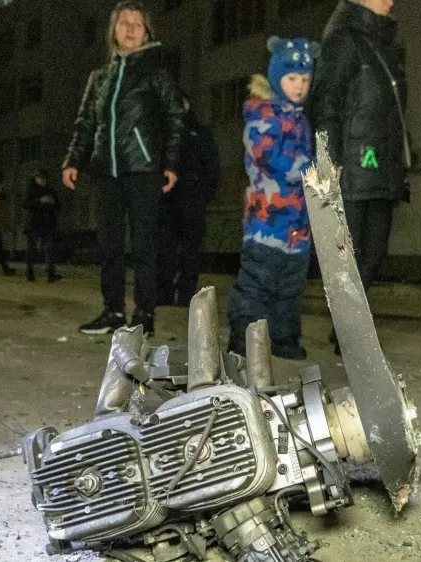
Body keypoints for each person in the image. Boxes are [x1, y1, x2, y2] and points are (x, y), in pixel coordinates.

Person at [62, 0, 185, 336]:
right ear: (113, 30)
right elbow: (86, 122)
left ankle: (144, 315)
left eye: (137, 24)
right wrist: (74, 160)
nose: (130, 29)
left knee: (144, 247)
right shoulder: (99, 77)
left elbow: (176, 119)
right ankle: (113, 312)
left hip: (143, 170)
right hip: (105, 172)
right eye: (123, 23)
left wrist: (171, 164)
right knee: (109, 249)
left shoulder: (157, 73)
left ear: (146, 32)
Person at [308, 0, 409, 355]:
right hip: (350, 161)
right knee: (348, 253)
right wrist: (330, 157)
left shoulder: (387, 46)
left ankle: (348, 327)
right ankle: (350, 332)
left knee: (375, 252)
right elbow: (326, 101)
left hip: (382, 162)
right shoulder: (343, 38)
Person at [227, 37, 315, 361]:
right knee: (257, 284)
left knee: (290, 286)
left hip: (297, 226)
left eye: (305, 80)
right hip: (266, 221)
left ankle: (283, 337)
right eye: (292, 79)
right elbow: (267, 156)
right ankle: (242, 337)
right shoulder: (264, 115)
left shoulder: (301, 120)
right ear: (278, 77)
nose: (299, 86)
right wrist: (308, 169)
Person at [156, 95, 221, 307]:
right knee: (165, 249)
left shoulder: (200, 132)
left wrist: (202, 196)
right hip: (168, 200)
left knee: (190, 251)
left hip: (192, 200)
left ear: (187, 105)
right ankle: (164, 293)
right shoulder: (162, 134)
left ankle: (186, 296)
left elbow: (212, 168)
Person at [24, 169, 61, 283]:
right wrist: (40, 201)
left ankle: (50, 273)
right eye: (39, 178)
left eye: (43, 178)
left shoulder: (50, 190)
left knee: (49, 248)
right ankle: (29, 272)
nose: (41, 180)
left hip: (48, 223)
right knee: (32, 248)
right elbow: (26, 204)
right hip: (35, 222)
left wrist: (53, 202)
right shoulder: (31, 190)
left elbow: (58, 205)